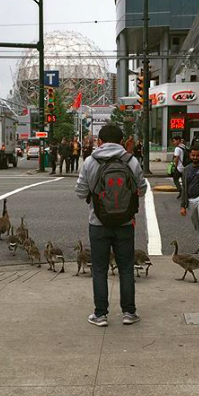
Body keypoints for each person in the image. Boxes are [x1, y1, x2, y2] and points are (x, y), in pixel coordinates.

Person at [75, 124, 147, 327]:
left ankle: (100, 315)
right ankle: (129, 313)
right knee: (125, 268)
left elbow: (80, 192)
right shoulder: (131, 161)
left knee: (99, 269)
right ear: (121, 142)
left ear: (100, 141)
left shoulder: (90, 161)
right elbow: (142, 189)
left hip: (98, 222)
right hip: (125, 223)